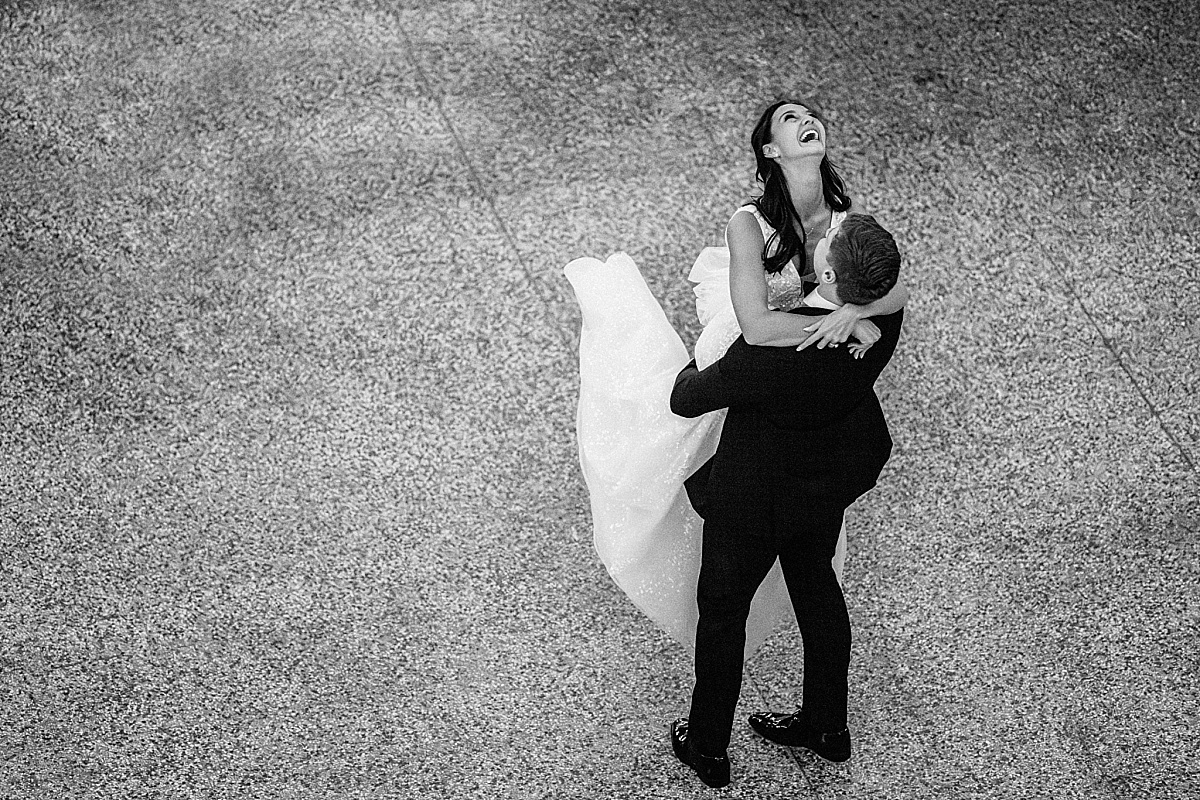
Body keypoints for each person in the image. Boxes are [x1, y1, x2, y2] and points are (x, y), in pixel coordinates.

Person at [563, 98, 907, 658]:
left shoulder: (846, 222)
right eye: (790, 120)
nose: (807, 121)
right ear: (771, 151)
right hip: (755, 349)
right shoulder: (750, 223)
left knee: (764, 574)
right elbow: (757, 325)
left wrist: (850, 311)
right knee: (804, 561)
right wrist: (844, 323)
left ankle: (723, 731)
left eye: (810, 115)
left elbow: (892, 286)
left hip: (789, 388)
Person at [668, 212, 904, 788]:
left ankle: (707, 745)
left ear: (825, 271)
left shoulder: (772, 347)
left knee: (723, 611)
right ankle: (827, 726)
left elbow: (686, 399)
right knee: (817, 586)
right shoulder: (879, 321)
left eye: (825, 241)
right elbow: (891, 295)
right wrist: (854, 310)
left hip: (755, 495)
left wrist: (703, 352)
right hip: (825, 484)